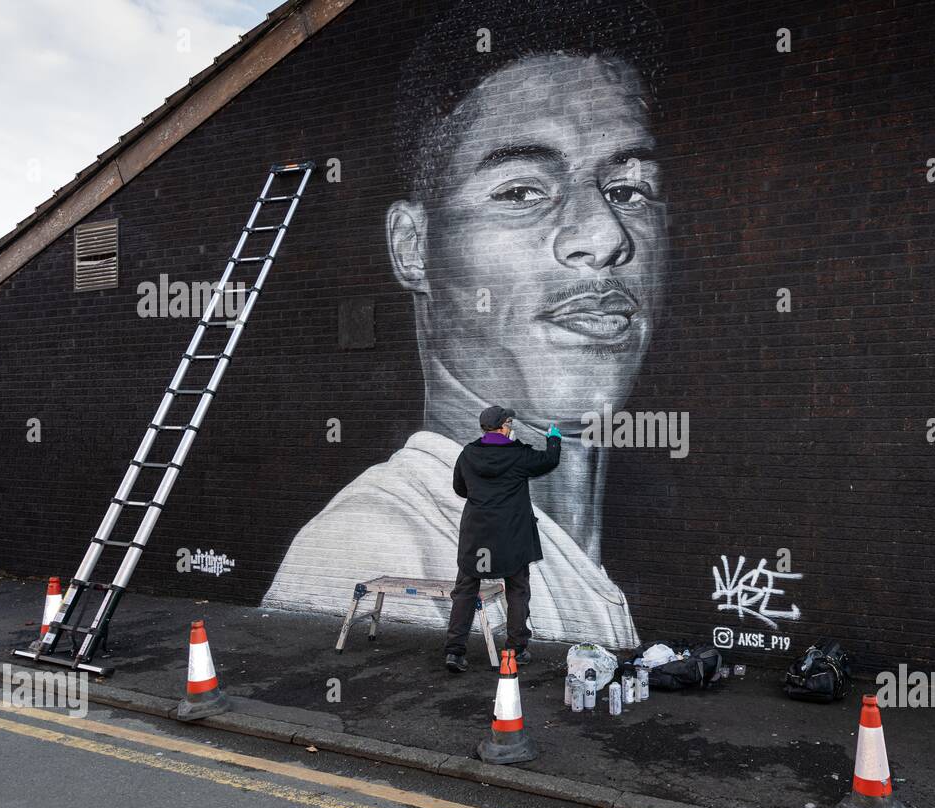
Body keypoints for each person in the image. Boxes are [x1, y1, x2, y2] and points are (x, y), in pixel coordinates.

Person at [261, 0, 666, 651]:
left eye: (630, 190)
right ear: (412, 247)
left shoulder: (545, 535)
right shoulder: (370, 544)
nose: (604, 235)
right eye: (521, 191)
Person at [444, 405, 561, 672]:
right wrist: (554, 439)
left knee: (464, 590)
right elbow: (549, 460)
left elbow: (459, 488)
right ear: (503, 427)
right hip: (511, 536)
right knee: (517, 590)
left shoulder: (468, 454)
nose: (511, 427)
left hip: (477, 535)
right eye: (509, 422)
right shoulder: (519, 456)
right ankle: (516, 649)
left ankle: (454, 652)